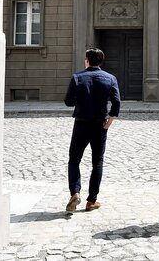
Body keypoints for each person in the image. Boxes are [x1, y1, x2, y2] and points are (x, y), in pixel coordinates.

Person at [63, 48, 121, 212]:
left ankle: (75, 192)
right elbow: (116, 102)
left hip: (81, 123)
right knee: (97, 162)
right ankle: (91, 201)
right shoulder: (110, 78)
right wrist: (110, 121)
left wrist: (81, 99)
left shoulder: (78, 77)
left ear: (87, 60)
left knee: (74, 160)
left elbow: (68, 101)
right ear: (100, 61)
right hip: (100, 125)